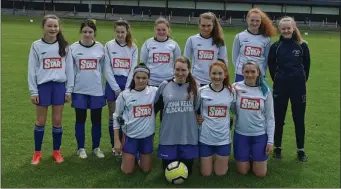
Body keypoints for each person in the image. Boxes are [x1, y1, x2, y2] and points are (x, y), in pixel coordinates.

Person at [28, 14, 74, 165]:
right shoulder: (36, 45)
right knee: (40, 121)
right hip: (43, 87)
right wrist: (34, 91)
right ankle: (37, 153)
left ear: (59, 28)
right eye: (49, 26)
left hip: (59, 87)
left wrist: (68, 91)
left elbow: (69, 70)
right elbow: (32, 70)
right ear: (43, 27)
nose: (53, 29)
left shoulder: (64, 46)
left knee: (57, 120)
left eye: (55, 26)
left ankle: (56, 151)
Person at [268, 16, 311, 162]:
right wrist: (280, 80)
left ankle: (300, 150)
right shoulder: (275, 46)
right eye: (283, 28)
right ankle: (278, 148)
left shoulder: (302, 45)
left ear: (294, 28)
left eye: (289, 28)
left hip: (298, 87)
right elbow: (272, 67)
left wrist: (298, 81)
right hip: (280, 86)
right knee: (278, 118)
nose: (286, 30)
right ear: (280, 29)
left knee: (298, 118)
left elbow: (307, 67)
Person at [154, 56, 200, 177]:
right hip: (168, 137)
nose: (180, 73)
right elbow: (155, 109)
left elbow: (198, 109)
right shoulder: (164, 86)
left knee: (187, 172)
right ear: (173, 69)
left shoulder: (195, 87)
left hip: (188, 137)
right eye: (177, 69)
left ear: (189, 70)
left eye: (183, 70)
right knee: (168, 171)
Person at [70, 19, 105, 159]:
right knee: (80, 119)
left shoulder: (100, 47)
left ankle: (96, 147)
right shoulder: (73, 48)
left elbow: (103, 68)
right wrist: (70, 89)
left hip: (96, 90)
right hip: (79, 90)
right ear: (81, 32)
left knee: (96, 120)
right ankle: (81, 148)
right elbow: (71, 70)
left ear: (94, 33)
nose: (87, 34)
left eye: (90, 32)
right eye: (84, 31)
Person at [113, 64, 157, 174]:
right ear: (133, 77)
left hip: (147, 136)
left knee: (146, 169)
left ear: (148, 78)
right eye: (138, 77)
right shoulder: (125, 95)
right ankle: (130, 155)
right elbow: (116, 116)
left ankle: (137, 156)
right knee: (127, 171)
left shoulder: (154, 92)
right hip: (130, 136)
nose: (141, 80)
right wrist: (116, 140)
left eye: (144, 78)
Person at [232, 62, 274, 177]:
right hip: (241, 134)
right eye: (246, 71)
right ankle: (249, 155)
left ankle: (254, 155)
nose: (249, 75)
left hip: (259, 135)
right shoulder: (235, 87)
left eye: (253, 72)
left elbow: (270, 118)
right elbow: (229, 108)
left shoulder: (265, 90)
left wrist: (270, 141)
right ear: (242, 72)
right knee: (243, 171)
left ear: (258, 73)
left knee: (260, 173)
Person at [104, 19, 138, 156]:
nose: (119, 35)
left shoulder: (133, 47)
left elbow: (133, 69)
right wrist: (116, 89)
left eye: (122, 32)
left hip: (128, 84)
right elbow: (107, 69)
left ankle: (127, 145)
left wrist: (127, 89)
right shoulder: (108, 45)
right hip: (113, 84)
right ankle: (115, 146)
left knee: (128, 116)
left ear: (127, 31)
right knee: (113, 116)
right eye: (117, 32)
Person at [197, 61, 235, 176]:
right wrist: (197, 117)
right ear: (209, 74)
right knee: (206, 173)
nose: (217, 77)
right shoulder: (201, 91)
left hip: (223, 138)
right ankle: (210, 157)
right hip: (205, 138)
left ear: (225, 75)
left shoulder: (231, 92)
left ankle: (219, 159)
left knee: (220, 173)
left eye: (220, 73)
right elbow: (195, 109)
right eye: (214, 73)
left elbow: (235, 110)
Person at [232, 8, 277, 82]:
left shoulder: (266, 39)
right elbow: (234, 58)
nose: (254, 23)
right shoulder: (239, 36)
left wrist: (261, 71)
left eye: (257, 21)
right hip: (241, 75)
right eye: (252, 20)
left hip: (258, 75)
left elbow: (266, 59)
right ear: (247, 20)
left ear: (261, 21)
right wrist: (241, 70)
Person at [184, 12, 228, 87]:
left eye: (209, 25)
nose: (206, 28)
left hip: (214, 81)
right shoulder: (192, 40)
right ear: (199, 25)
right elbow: (185, 61)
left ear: (213, 25)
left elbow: (224, 63)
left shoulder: (219, 42)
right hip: (196, 81)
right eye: (203, 25)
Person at [140, 17, 181, 87]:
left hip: (169, 82)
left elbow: (178, 65)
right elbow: (142, 64)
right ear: (155, 29)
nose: (161, 32)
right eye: (158, 30)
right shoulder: (148, 44)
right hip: (151, 82)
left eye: (164, 30)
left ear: (168, 29)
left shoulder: (174, 45)